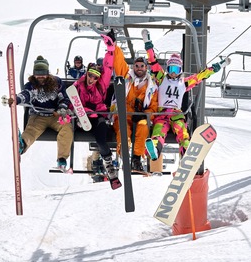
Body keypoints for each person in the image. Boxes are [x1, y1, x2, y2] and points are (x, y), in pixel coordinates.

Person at [142, 29, 231, 160]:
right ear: (167, 69)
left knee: (182, 132)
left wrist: (218, 66)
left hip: (177, 114)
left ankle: (187, 152)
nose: (173, 73)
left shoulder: (184, 82)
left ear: (180, 70)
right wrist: (148, 43)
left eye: (176, 70)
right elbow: (153, 62)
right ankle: (155, 149)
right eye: (171, 69)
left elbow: (201, 76)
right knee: (158, 131)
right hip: (161, 113)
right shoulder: (161, 78)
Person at [7, 55, 73, 171]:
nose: (40, 77)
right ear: (33, 74)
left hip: (54, 116)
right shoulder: (32, 85)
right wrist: (16, 99)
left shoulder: (56, 82)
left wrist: (62, 108)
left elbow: (64, 98)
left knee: (66, 128)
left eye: (43, 73)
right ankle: (22, 145)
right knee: (31, 131)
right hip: (38, 115)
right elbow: (26, 94)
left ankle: (62, 158)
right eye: (37, 74)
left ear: (48, 73)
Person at [73, 34, 121, 189]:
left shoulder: (102, 84)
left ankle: (110, 170)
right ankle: (81, 122)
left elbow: (108, 66)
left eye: (95, 77)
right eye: (90, 75)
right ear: (87, 73)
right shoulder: (78, 85)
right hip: (83, 115)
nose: (92, 79)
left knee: (101, 141)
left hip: (98, 117)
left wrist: (110, 49)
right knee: (76, 123)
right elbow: (70, 100)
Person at [111, 30, 158, 172]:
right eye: (136, 66)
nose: (139, 69)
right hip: (124, 114)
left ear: (146, 68)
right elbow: (119, 61)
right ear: (133, 67)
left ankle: (136, 158)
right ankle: (124, 154)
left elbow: (154, 106)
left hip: (140, 116)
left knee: (144, 126)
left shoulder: (152, 86)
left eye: (142, 66)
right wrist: (114, 45)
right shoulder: (126, 77)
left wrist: (146, 114)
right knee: (123, 128)